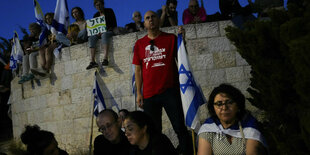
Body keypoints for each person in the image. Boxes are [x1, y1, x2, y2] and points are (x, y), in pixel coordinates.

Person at [132, 10, 192, 155]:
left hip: (169, 91)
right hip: (149, 95)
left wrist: (182, 41)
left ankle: (187, 152)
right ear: (144, 23)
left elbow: (182, 60)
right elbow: (138, 71)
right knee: (153, 131)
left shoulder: (171, 39)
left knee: (179, 127)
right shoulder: (139, 44)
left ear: (158, 20)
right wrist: (139, 93)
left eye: (153, 17)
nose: (151, 19)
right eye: (147, 18)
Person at [197, 84, 267, 155]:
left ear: (238, 105)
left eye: (229, 102)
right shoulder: (208, 128)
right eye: (219, 104)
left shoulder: (250, 126)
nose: (224, 108)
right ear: (213, 108)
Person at [86, 0, 117, 69]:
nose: (99, 6)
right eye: (97, 5)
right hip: (99, 33)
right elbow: (95, 27)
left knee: (104, 35)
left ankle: (105, 58)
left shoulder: (109, 11)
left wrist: (105, 30)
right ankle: (92, 61)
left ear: (103, 4)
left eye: (100, 4)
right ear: (95, 6)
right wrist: (97, 32)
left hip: (109, 31)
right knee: (91, 38)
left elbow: (114, 23)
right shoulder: (95, 15)